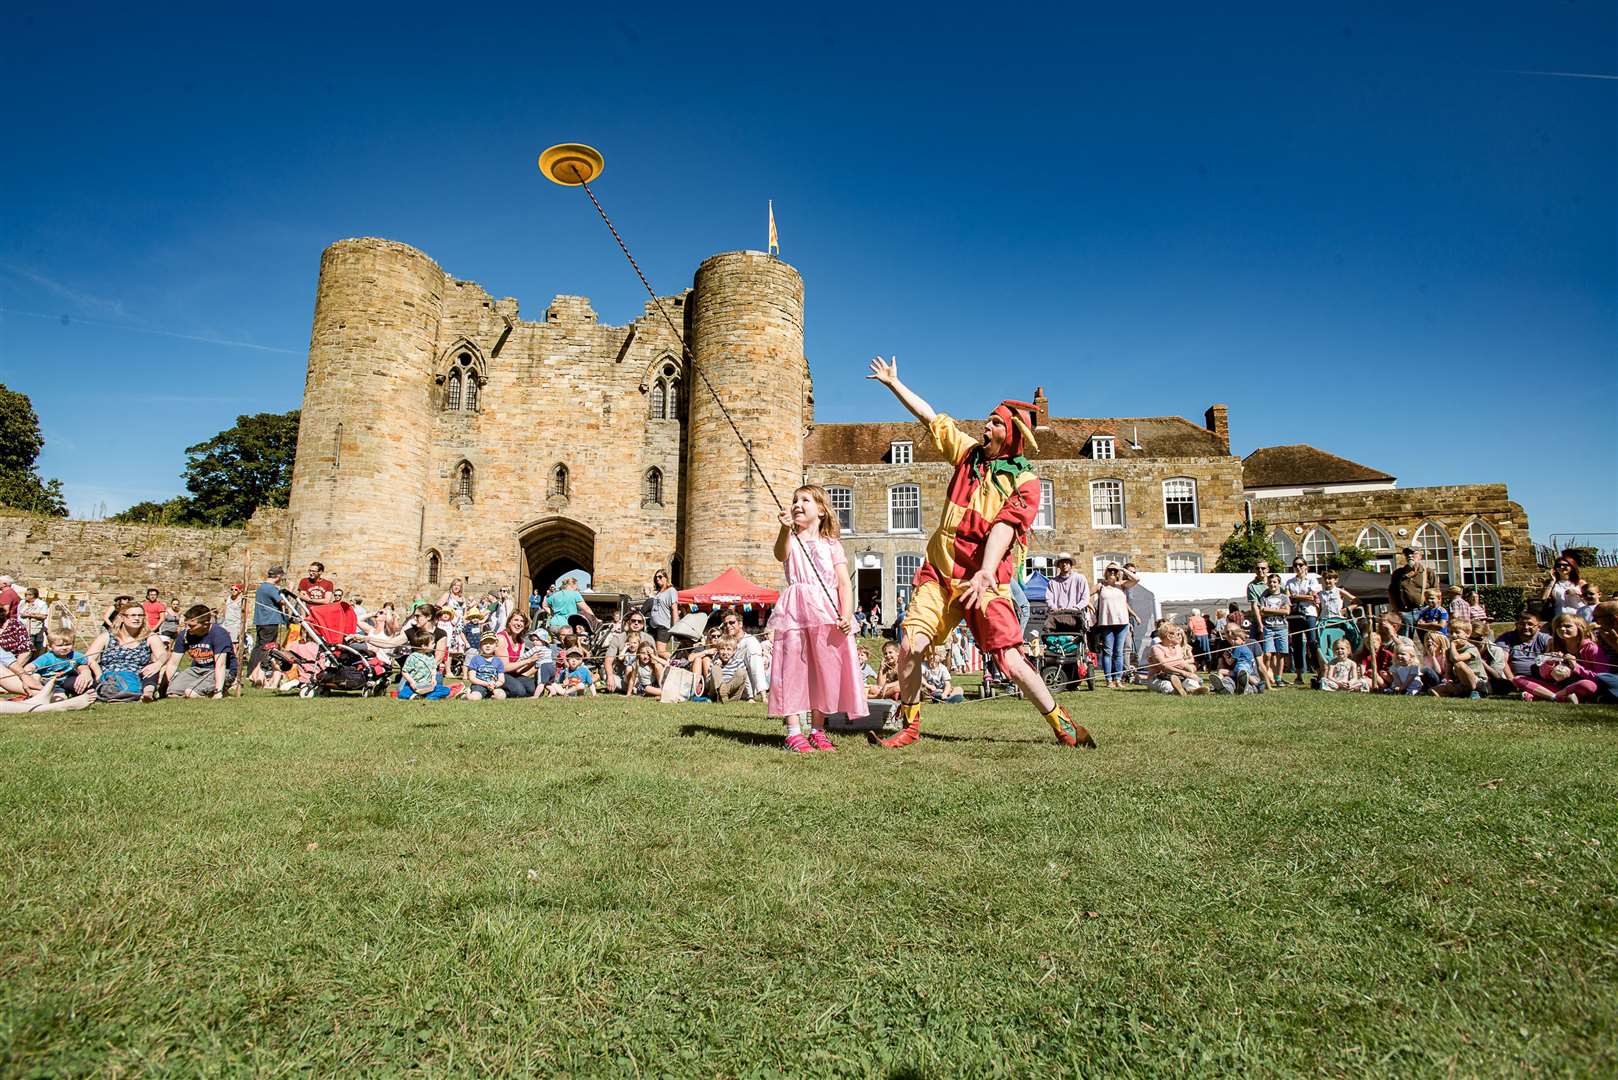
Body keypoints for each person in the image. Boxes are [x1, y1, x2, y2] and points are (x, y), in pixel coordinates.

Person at [864, 358, 1092, 748]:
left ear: (1013, 433)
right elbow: (930, 417)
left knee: (1012, 662)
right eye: (987, 421)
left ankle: (1062, 724)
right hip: (940, 571)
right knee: (910, 644)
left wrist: (986, 571)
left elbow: (1004, 525)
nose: (985, 427)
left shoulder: (1027, 481)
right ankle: (911, 726)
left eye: (995, 423)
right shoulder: (968, 455)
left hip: (987, 583)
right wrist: (893, 384)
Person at [766, 484, 866, 752]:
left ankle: (818, 729)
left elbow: (844, 584)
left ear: (821, 510)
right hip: (796, 609)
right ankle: (793, 731)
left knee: (824, 670)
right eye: (794, 500)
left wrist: (846, 614)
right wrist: (785, 528)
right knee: (793, 667)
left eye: (805, 500)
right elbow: (780, 554)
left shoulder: (831, 545)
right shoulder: (791, 539)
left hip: (826, 611)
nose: (797, 504)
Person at [86, 600, 170, 702]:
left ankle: (148, 693)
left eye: (140, 615)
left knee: (152, 669)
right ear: (122, 617)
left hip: (138, 675)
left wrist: (158, 664)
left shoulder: (149, 636)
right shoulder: (107, 636)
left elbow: (163, 654)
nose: (137, 618)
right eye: (133, 615)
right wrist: (98, 673)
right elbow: (88, 658)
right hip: (109, 675)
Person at [1517, 613, 1597, 702]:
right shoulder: (1555, 645)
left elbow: (1600, 677)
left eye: (1568, 626)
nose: (1562, 629)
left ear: (1580, 628)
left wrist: (1576, 667)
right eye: (1558, 627)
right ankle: (1559, 697)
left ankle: (1546, 696)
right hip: (1559, 686)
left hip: (1581, 685)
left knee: (1587, 685)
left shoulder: (1591, 648)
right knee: (1518, 679)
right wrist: (1550, 662)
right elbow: (1545, 676)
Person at [165, 604, 238, 698]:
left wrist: (218, 691)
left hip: (222, 671)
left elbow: (221, 665)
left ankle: (219, 690)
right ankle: (200, 689)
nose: (187, 628)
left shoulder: (219, 634)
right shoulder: (184, 635)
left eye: (191, 626)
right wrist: (164, 688)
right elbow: (173, 663)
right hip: (197, 670)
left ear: (205, 624)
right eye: (186, 625)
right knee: (172, 693)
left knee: (191, 693)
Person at [8, 628, 93, 697]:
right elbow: (30, 666)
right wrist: (26, 673)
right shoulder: (47, 658)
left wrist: (98, 675)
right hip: (45, 682)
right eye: (60, 645)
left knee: (63, 695)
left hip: (63, 681)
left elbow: (89, 662)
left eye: (68, 644)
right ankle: (36, 695)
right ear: (50, 647)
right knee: (36, 676)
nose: (64, 648)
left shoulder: (75, 655)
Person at [1092, 564, 1137, 689]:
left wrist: (1122, 569)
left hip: (1122, 622)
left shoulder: (1122, 585)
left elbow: (1136, 579)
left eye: (1114, 570)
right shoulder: (1100, 586)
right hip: (1106, 623)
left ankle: (1118, 679)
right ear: (1106, 572)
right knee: (1108, 652)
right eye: (1110, 570)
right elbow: (1085, 596)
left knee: (1119, 652)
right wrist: (1090, 608)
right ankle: (1109, 680)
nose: (1112, 572)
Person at [1282, 558, 1319, 685]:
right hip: (1295, 615)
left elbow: (1312, 597)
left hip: (1309, 614)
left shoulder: (1312, 580)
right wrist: (1302, 597)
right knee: (1297, 645)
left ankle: (1318, 671)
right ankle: (1299, 675)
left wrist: (1295, 596)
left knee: (1312, 642)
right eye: (1295, 565)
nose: (1298, 567)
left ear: (1305, 566)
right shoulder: (1289, 582)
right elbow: (1287, 598)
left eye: (1300, 565)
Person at [1389, 547, 1438, 640]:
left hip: (1424, 611)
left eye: (1413, 553)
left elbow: (1437, 593)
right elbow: (1392, 593)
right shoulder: (1398, 573)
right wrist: (1397, 611)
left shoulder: (1428, 572)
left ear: (1420, 556)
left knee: (1429, 641)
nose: (1410, 556)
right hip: (1405, 612)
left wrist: (1435, 612)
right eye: (1407, 554)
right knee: (1405, 641)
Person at [603, 610, 656, 693]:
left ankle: (646, 687)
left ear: (642, 625)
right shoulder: (618, 638)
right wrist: (610, 677)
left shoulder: (649, 638)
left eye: (639, 621)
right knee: (607, 676)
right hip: (624, 677)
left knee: (659, 666)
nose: (636, 623)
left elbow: (655, 660)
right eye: (633, 621)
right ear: (628, 622)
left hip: (645, 676)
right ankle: (636, 689)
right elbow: (608, 660)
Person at [250, 567, 289, 679]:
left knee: (259, 647)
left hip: (261, 621)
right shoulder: (270, 588)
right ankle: (260, 672)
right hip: (269, 621)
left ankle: (252, 671)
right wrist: (289, 589)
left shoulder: (262, 587)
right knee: (267, 648)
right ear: (278, 576)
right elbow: (283, 602)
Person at [1495, 610, 1551, 688]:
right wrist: (1512, 679)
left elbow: (1552, 656)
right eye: (1522, 624)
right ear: (1516, 625)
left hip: (1541, 677)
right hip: (1514, 678)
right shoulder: (1506, 638)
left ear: (1539, 627)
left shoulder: (1545, 639)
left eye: (1530, 624)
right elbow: (1502, 660)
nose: (1526, 627)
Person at [1146, 623, 1204, 696]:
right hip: (1158, 677)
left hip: (1179, 676)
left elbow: (1180, 663)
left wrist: (1189, 671)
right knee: (1167, 685)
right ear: (1169, 636)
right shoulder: (1156, 648)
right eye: (1178, 634)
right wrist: (1183, 672)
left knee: (1191, 682)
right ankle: (1180, 691)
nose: (1180, 637)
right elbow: (1163, 666)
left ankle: (1192, 690)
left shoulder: (1177, 647)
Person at [397, 626, 455, 699]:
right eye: (432, 643)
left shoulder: (430, 656)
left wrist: (433, 678)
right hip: (414, 685)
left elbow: (433, 668)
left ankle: (428, 696)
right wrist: (412, 682)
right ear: (424, 646)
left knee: (446, 690)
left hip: (427, 685)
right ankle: (416, 695)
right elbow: (404, 671)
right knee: (403, 693)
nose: (434, 644)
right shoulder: (413, 657)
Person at [492, 612, 540, 698]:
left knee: (532, 689)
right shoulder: (501, 638)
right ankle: (493, 691)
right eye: (516, 620)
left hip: (511, 674)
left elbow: (517, 670)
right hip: (497, 674)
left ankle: (506, 690)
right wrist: (529, 660)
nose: (519, 624)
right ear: (509, 622)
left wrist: (535, 662)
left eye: (522, 621)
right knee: (519, 691)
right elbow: (504, 668)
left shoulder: (521, 642)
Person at [1434, 620, 1486, 698]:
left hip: (1478, 682)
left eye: (1457, 632)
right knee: (1433, 690)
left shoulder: (1471, 648)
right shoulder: (1449, 651)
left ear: (1467, 634)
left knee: (1459, 664)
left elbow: (1456, 658)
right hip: (1461, 682)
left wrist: (1452, 644)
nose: (1454, 635)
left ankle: (1475, 691)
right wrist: (1449, 680)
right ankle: (1461, 693)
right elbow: (1449, 672)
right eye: (1451, 632)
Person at [1257, 573, 1291, 689]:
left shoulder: (1284, 597)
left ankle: (1278, 678)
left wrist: (1269, 610)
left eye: (1275, 582)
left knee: (1281, 654)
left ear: (1278, 583)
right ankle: (1266, 678)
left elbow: (1287, 611)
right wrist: (1278, 610)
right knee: (1267, 654)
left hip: (1282, 628)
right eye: (1270, 582)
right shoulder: (1264, 597)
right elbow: (1262, 611)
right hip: (1269, 628)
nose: (1272, 584)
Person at [1044, 553, 1090, 634]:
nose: (1064, 564)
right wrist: (1054, 608)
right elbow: (1048, 599)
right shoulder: (1052, 582)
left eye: (1066, 562)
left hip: (1075, 617)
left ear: (1071, 564)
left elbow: (1085, 598)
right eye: (1061, 562)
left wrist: (1076, 608)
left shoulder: (1080, 579)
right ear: (1058, 565)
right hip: (1058, 618)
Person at [1217, 625, 1262, 694]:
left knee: (1243, 675)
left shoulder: (1238, 648)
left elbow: (1230, 662)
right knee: (1223, 672)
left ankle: (1256, 684)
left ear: (1243, 640)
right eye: (1232, 639)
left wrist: (1226, 657)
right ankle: (1222, 686)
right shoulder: (1244, 648)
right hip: (1239, 670)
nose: (1233, 641)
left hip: (1242, 669)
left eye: (1235, 639)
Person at [464, 634, 507, 700]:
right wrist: (486, 684)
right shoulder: (476, 659)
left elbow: (501, 679)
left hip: (493, 686)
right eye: (485, 643)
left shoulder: (498, 661)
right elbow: (471, 678)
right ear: (480, 646)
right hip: (479, 685)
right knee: (474, 698)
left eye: (491, 643)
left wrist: (495, 685)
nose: (488, 645)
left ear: (496, 647)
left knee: (501, 696)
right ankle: (465, 694)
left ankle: (490, 697)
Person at [19, 588, 49, 655]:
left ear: (33, 595)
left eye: (28, 594)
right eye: (25, 594)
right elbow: (19, 613)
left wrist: (31, 615)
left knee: (33, 649)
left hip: (34, 630)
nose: (26, 596)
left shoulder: (41, 604)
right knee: (24, 649)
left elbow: (44, 616)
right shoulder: (23, 602)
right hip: (22, 629)